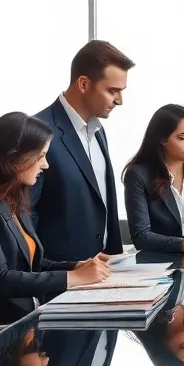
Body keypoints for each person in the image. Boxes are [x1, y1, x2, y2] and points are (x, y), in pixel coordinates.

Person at [0, 112, 112, 354]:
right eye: (41, 156)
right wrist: (74, 278)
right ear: (14, 156)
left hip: (26, 324)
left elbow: (32, 263)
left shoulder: (11, 199)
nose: (46, 165)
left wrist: (78, 266)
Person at [32, 40, 133, 262]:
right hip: (61, 274)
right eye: (113, 91)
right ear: (84, 84)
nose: (120, 101)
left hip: (105, 270)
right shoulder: (37, 132)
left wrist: (116, 260)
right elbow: (25, 217)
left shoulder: (98, 131)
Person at [123, 104, 184, 254]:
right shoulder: (138, 174)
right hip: (157, 261)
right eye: (183, 137)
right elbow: (141, 236)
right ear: (162, 139)